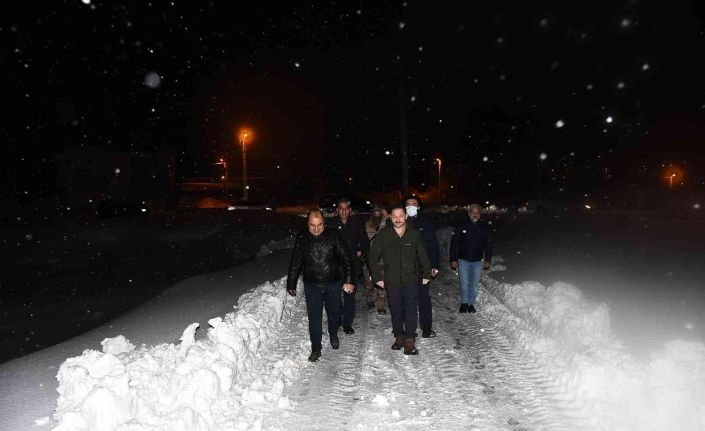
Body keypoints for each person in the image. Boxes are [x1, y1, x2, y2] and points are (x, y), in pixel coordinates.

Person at [287, 209, 355, 362]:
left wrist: (349, 280)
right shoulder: (302, 237)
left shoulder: (334, 235)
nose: (316, 229)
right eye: (312, 225)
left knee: (334, 313)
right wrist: (291, 283)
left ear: (324, 223)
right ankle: (316, 348)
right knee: (314, 318)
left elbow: (346, 258)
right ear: (307, 224)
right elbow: (296, 261)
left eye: (319, 225)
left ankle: (333, 333)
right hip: (312, 284)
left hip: (333, 282)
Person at [369, 205, 432, 355]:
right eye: (395, 216)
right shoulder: (384, 235)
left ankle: (409, 340)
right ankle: (399, 336)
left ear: (406, 217)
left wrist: (426, 274)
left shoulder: (413, 234)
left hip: (411, 278)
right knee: (395, 309)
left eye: (401, 216)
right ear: (390, 217)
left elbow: (423, 254)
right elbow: (372, 256)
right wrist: (377, 277)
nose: (398, 219)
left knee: (411, 308)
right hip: (391, 280)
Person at [328, 197, 370, 335]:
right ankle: (338, 318)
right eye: (341, 209)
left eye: (346, 208)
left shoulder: (356, 223)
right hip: (335, 265)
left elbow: (365, 241)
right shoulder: (331, 224)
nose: (344, 211)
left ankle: (347, 323)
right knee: (335, 295)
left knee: (349, 295)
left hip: (352, 265)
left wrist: (360, 251)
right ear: (337, 210)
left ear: (350, 210)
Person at [404, 195, 440, 338]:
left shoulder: (425, 224)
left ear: (418, 207)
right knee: (407, 299)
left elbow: (433, 245)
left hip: (422, 267)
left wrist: (434, 265)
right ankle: (408, 329)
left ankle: (426, 328)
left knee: (423, 298)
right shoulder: (400, 222)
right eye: (408, 204)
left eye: (414, 204)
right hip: (404, 268)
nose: (411, 206)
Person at [449, 203, 492, 313]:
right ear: (469, 213)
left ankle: (471, 304)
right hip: (463, 259)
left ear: (480, 214)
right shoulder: (462, 225)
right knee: (464, 282)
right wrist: (453, 259)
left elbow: (488, 244)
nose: (475, 215)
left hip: (477, 260)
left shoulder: (484, 227)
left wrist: (488, 259)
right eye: (473, 213)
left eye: (477, 213)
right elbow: (454, 242)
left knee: (474, 284)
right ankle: (464, 303)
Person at [364, 206, 389, 314]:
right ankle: (369, 300)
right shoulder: (367, 224)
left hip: (383, 258)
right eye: (375, 212)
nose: (377, 213)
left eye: (379, 211)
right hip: (369, 257)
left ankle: (381, 305)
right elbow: (363, 239)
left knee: (382, 282)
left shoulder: (387, 224)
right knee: (369, 282)